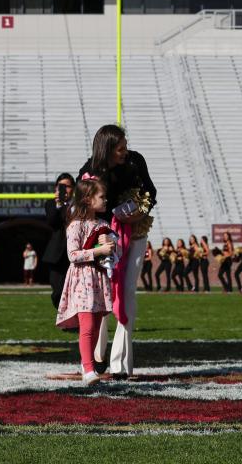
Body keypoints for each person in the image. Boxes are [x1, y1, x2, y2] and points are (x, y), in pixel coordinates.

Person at [79, 124, 156, 379]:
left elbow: (151, 193)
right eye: (120, 148)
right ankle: (96, 357)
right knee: (101, 292)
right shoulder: (90, 170)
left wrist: (139, 211)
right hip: (103, 238)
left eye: (125, 146)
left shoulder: (135, 162)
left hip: (135, 234)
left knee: (127, 292)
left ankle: (121, 363)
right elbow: (83, 205)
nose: (125, 152)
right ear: (107, 149)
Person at [55, 176, 116, 386]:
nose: (105, 200)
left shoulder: (103, 224)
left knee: (97, 325)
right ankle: (89, 370)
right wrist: (98, 250)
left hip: (98, 279)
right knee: (87, 325)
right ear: (88, 199)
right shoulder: (76, 225)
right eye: (102, 196)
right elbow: (73, 255)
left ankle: (86, 363)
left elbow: (112, 254)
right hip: (82, 280)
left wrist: (111, 246)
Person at [43, 173, 75, 308]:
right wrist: (59, 204)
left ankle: (72, 322)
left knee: (74, 290)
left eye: (67, 186)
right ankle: (63, 313)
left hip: (75, 253)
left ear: (73, 188)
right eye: (61, 186)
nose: (64, 190)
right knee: (58, 291)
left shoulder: (80, 205)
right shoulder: (51, 204)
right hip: (57, 254)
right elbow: (52, 222)